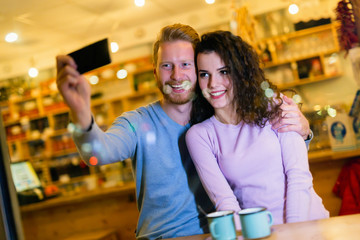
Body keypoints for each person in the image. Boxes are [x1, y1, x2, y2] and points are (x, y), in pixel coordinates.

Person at [56, 24, 311, 239]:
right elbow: (97, 154)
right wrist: (80, 111)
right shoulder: (139, 122)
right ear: (155, 71)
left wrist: (303, 131)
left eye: (185, 64)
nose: (177, 75)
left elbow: (268, 154)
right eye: (167, 65)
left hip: (219, 233)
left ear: (198, 69)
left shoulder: (218, 112)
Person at [186, 30, 329, 226]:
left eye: (224, 71)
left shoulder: (277, 106)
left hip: (309, 224)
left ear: (240, 72)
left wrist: (295, 232)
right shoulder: (199, 135)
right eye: (204, 74)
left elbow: (298, 177)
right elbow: (225, 203)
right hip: (261, 232)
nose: (213, 83)